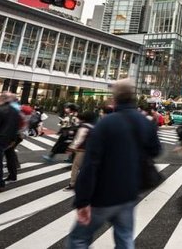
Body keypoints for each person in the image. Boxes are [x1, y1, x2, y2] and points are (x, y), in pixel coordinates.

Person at [68, 79, 162, 248]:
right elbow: (155, 151)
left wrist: (82, 200)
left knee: (78, 239)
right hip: (129, 192)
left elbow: (90, 164)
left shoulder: (106, 123)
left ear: (114, 98)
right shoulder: (145, 122)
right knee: (125, 238)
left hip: (103, 194)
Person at [65, 110, 95, 191]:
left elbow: (78, 139)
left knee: (76, 166)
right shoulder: (94, 126)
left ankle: (73, 183)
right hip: (91, 150)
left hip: (82, 150)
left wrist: (71, 148)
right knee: (86, 167)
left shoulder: (84, 127)